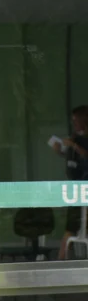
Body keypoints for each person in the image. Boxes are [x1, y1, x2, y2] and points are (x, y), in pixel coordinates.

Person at [53, 106, 88, 259]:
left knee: (75, 225)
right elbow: (72, 157)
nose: (74, 124)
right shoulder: (75, 137)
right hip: (75, 187)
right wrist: (59, 150)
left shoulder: (82, 141)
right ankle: (61, 260)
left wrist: (74, 145)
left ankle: (62, 258)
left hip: (85, 186)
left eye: (76, 120)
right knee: (71, 225)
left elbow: (84, 155)